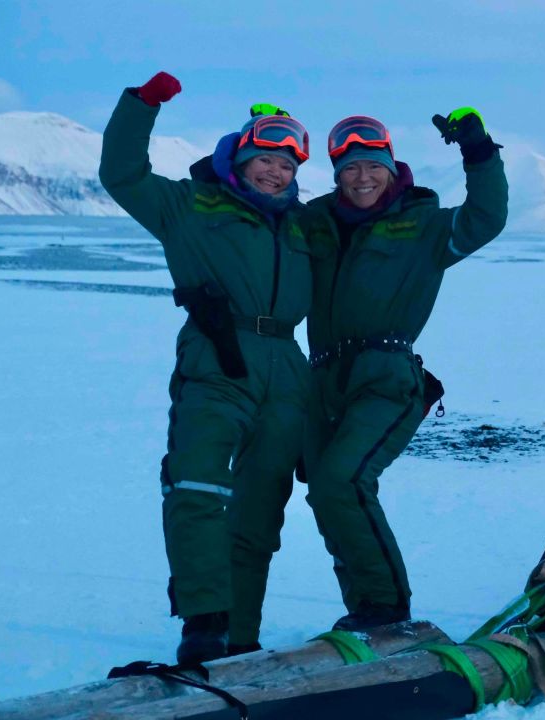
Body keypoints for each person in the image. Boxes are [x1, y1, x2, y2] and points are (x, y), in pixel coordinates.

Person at [99, 71, 314, 664]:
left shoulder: (302, 224)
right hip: (218, 357)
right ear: (239, 159)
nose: (276, 172)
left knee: (260, 509)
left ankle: (240, 638)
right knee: (195, 483)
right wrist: (141, 106)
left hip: (286, 370)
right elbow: (121, 174)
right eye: (265, 159)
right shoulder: (189, 204)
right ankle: (204, 623)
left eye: (288, 165)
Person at [300, 109, 508, 630]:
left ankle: (386, 611)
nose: (362, 178)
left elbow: (486, 217)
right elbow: (257, 228)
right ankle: (363, 611)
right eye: (349, 168)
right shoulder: (315, 221)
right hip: (321, 380)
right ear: (335, 174)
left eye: (373, 166)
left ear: (392, 168)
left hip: (385, 376)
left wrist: (479, 152)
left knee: (343, 481)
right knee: (326, 494)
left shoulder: (425, 226)